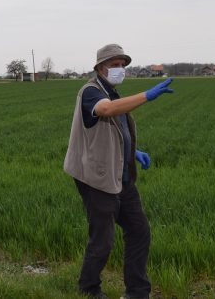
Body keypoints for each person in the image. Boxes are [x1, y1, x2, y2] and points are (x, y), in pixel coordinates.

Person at [63, 44, 175, 299]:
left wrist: (132, 151)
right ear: (100, 68)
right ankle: (89, 289)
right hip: (96, 177)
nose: (120, 69)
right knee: (102, 240)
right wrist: (147, 95)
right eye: (114, 65)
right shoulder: (91, 92)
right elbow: (106, 111)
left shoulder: (113, 93)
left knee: (139, 231)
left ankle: (137, 292)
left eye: (123, 65)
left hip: (120, 174)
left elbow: (114, 129)